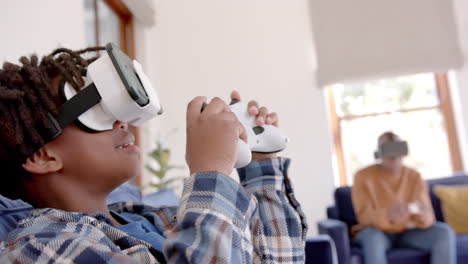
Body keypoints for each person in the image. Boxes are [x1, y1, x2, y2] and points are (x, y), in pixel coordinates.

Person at [0, 46, 307, 263]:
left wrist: (260, 165)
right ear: (42, 156)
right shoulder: (41, 247)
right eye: (96, 111)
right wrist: (211, 173)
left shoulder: (156, 219)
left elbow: (279, 258)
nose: (122, 122)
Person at [351, 131, 456, 264]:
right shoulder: (362, 176)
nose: (393, 155)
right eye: (387, 149)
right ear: (379, 153)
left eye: (396, 148)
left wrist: (422, 215)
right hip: (377, 232)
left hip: (409, 232)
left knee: (444, 232)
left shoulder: (414, 176)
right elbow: (364, 217)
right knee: (373, 239)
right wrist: (388, 215)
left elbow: (429, 218)